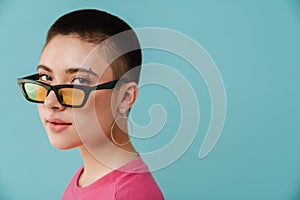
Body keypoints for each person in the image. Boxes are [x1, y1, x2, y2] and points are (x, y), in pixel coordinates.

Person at [17, 9, 164, 199]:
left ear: (125, 97)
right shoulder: (87, 176)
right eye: (46, 77)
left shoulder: (124, 194)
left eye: (79, 81)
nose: (50, 101)